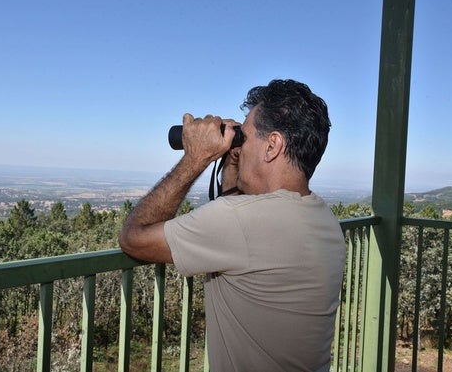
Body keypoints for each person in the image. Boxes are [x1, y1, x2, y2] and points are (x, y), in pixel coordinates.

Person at [119, 79, 346, 371]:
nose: (240, 145)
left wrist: (196, 158)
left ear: (272, 146)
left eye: (245, 137)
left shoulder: (240, 222)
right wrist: (232, 164)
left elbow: (134, 238)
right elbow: (245, 215)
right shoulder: (323, 217)